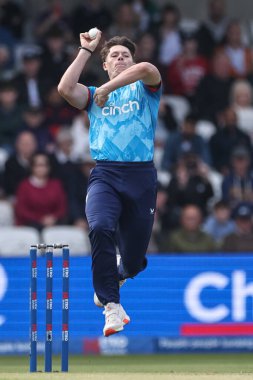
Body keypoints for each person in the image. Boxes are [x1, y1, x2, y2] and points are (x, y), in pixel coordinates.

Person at [58, 30, 161, 336]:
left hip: (141, 177)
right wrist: (85, 51)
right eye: (114, 56)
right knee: (100, 226)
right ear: (104, 64)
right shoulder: (92, 95)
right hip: (105, 173)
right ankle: (112, 306)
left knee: (133, 259)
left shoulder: (145, 89)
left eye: (125, 55)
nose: (120, 59)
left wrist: (109, 88)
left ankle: (120, 274)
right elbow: (65, 88)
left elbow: (147, 70)